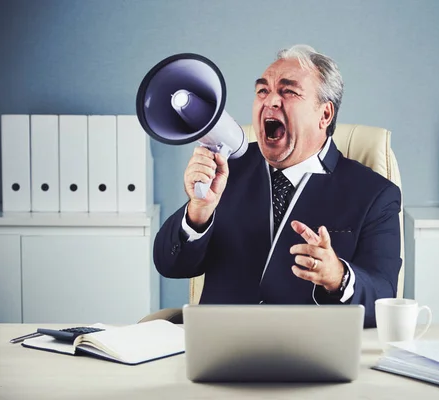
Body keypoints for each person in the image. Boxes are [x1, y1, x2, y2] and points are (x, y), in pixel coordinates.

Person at [154, 44, 402, 327]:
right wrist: (198, 211)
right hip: (220, 347)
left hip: (312, 352)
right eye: (262, 91)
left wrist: (338, 277)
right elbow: (169, 264)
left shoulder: (374, 194)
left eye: (289, 91)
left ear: (325, 115)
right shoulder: (224, 173)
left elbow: (384, 298)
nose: (270, 101)